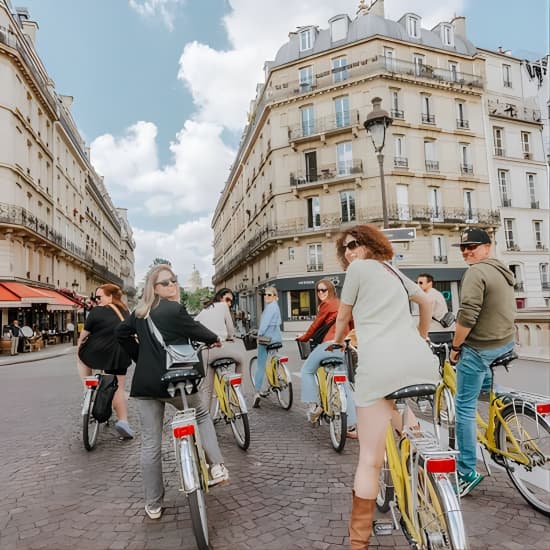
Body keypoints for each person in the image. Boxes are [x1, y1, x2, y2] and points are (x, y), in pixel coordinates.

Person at [332, 224, 438, 549]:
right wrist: (420, 336)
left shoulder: (358, 270)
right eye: (345, 249)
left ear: (369, 245)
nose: (349, 253)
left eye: (354, 245)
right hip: (421, 362)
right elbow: (427, 304)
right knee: (401, 418)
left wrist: (337, 342)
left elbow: (342, 318)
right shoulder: (393, 271)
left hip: (379, 366)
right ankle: (430, 488)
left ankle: (358, 544)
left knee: (369, 460)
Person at [115, 264, 228, 520]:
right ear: (154, 288)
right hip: (175, 381)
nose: (172, 285)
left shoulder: (139, 312)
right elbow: (197, 331)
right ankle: (217, 466)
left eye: (174, 280)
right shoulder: (174, 309)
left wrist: (140, 357)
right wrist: (213, 339)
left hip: (145, 385)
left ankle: (153, 504)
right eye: (166, 282)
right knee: (200, 414)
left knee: (150, 444)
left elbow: (120, 333)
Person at [449, 228, 516, 497]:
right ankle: (506, 415)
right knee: (486, 389)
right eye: (463, 248)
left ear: (487, 247)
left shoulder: (475, 272)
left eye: (473, 246)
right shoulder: (500, 268)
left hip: (482, 347)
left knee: (463, 407)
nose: (467, 251)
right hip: (506, 341)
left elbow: (468, 316)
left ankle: (466, 471)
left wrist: (455, 347)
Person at [297, 279, 357, 438]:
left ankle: (314, 406)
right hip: (343, 347)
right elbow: (353, 325)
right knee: (344, 385)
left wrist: (302, 338)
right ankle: (351, 426)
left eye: (324, 290)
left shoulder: (327, 305)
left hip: (328, 346)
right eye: (318, 290)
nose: (321, 293)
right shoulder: (344, 304)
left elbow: (315, 326)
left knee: (307, 371)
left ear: (331, 290)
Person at [77, 284, 134, 439]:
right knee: (118, 388)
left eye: (99, 297)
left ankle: (87, 388)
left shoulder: (96, 312)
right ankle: (123, 422)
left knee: (81, 358)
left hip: (95, 354)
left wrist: (78, 350)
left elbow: (83, 337)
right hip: (119, 355)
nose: (96, 300)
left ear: (110, 297)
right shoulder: (125, 312)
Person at [195, 288, 246, 412]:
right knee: (240, 359)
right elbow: (230, 329)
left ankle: (206, 422)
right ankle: (236, 389)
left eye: (231, 302)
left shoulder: (203, 311)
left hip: (205, 352)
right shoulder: (223, 307)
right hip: (219, 348)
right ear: (220, 298)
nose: (229, 303)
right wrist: (230, 337)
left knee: (207, 390)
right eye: (227, 299)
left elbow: (195, 325)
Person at [252, 286, 282, 408]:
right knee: (274, 358)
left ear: (275, 296)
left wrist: (258, 334)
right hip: (277, 338)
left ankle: (257, 392)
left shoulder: (270, 308)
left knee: (260, 365)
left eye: (269, 295)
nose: (266, 297)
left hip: (266, 339)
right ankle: (278, 378)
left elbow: (264, 325)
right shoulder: (277, 307)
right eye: (265, 295)